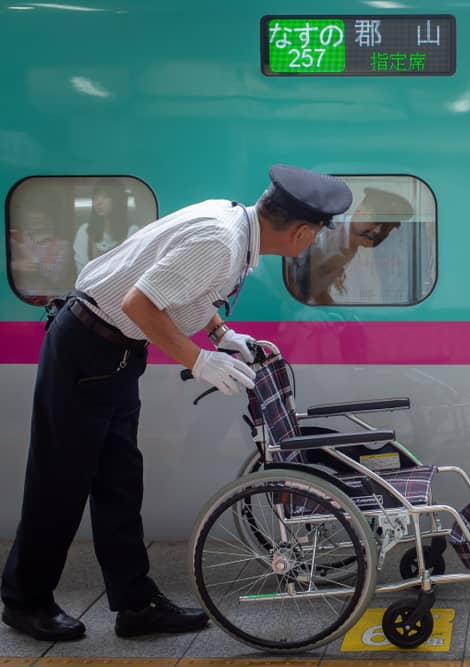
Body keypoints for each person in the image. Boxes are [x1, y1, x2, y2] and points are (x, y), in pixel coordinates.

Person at [1, 164, 352, 642]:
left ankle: (136, 604)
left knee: (120, 483)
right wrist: (199, 360)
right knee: (60, 481)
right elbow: (138, 304)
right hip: (87, 348)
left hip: (112, 354)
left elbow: (180, 289)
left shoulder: (230, 221)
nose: (310, 244)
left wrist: (221, 334)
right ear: (302, 231)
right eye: (314, 236)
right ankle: (26, 601)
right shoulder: (221, 243)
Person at [291, 187, 413, 305]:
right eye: (375, 221)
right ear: (360, 210)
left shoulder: (375, 250)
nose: (377, 231)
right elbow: (309, 285)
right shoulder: (325, 234)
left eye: (387, 227)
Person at [9, 190, 73, 305]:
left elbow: (58, 276)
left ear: (51, 217)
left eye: (42, 212)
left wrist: (36, 263)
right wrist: (14, 266)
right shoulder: (13, 238)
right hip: (12, 301)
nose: (36, 217)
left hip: (47, 304)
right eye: (32, 212)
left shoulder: (62, 245)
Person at [74, 179, 140, 272]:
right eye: (95, 197)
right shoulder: (85, 231)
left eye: (105, 197)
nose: (98, 202)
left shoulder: (132, 231)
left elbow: (130, 270)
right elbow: (81, 271)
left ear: (117, 200)